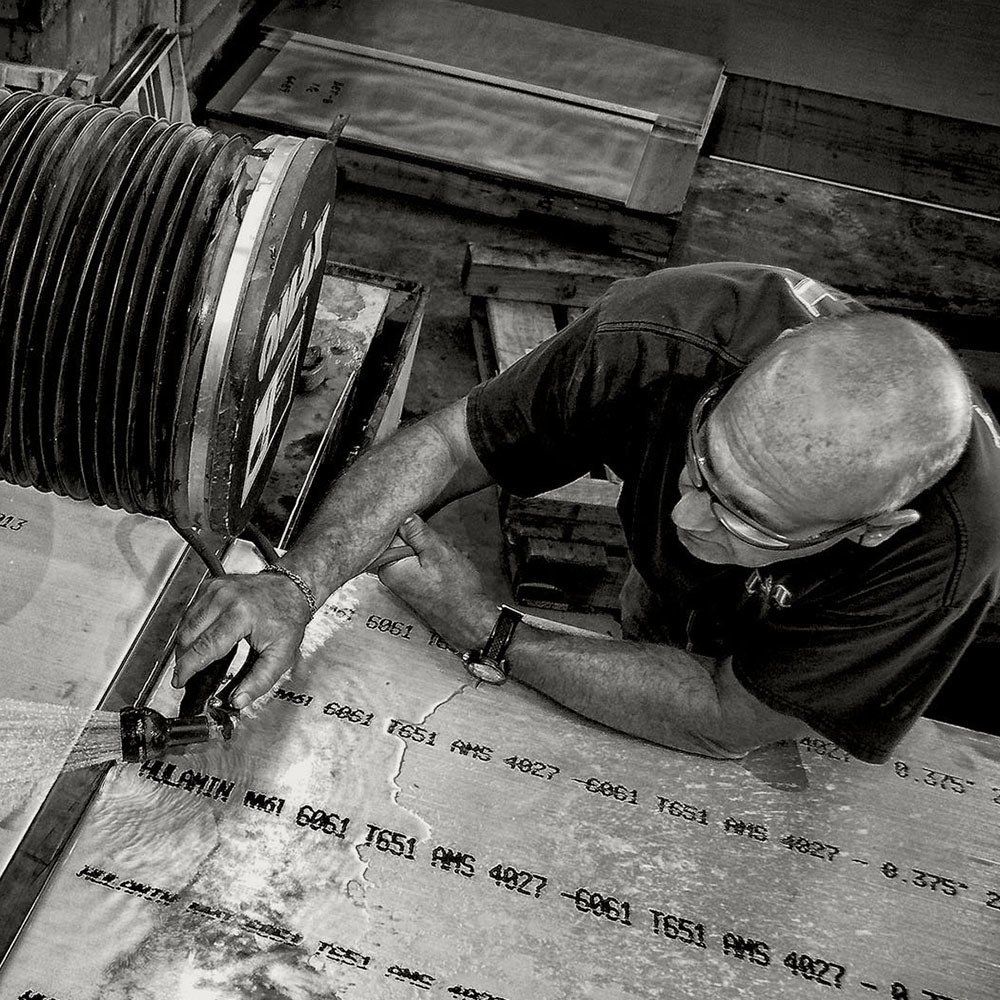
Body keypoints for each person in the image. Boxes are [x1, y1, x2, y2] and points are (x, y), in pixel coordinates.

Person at [173, 262, 1000, 764]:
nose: (686, 516)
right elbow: (450, 446)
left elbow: (731, 715)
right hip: (700, 605)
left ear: (871, 529)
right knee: (653, 604)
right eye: (701, 463)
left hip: (819, 661)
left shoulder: (946, 553)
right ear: (759, 363)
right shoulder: (664, 333)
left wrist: (487, 628)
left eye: (750, 519)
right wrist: (294, 584)